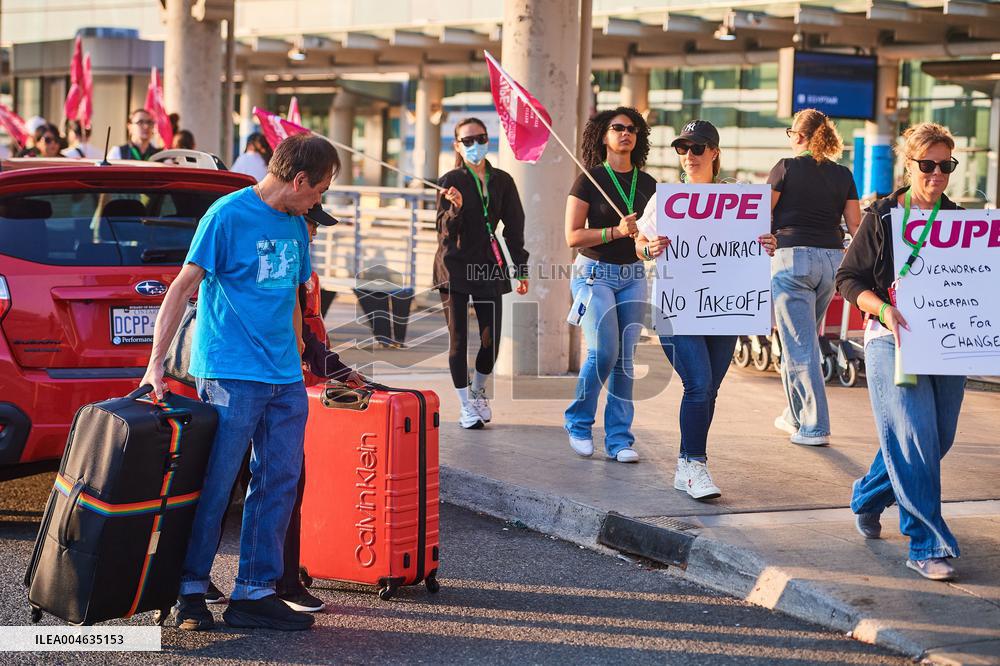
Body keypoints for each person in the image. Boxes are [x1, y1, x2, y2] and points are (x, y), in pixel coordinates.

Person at [140, 133, 339, 631]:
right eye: (320, 191)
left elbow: (293, 299)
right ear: (299, 180)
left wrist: (298, 359)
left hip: (283, 379)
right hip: (230, 372)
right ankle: (189, 591)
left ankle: (254, 592)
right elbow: (183, 287)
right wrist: (155, 365)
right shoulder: (226, 215)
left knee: (278, 483)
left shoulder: (296, 224)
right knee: (216, 485)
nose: (320, 201)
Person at [836, 123, 965, 582]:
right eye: (927, 164)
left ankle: (867, 496)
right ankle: (926, 542)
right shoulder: (884, 215)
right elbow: (848, 280)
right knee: (913, 437)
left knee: (936, 438)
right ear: (909, 165)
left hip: (948, 342)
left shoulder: (959, 219)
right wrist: (885, 311)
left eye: (945, 165)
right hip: (891, 339)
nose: (936, 173)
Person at [634, 120, 777, 498]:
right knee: (697, 384)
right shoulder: (666, 199)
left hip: (723, 307)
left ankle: (687, 464)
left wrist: (767, 242)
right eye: (682, 149)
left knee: (710, 388)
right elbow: (640, 244)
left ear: (715, 152)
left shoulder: (739, 197)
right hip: (677, 309)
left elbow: (756, 244)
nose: (689, 156)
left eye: (697, 148)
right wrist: (650, 249)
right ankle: (695, 464)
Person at [564, 107, 654, 463]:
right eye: (618, 128)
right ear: (604, 135)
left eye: (632, 129)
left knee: (625, 360)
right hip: (593, 273)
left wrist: (645, 241)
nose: (625, 133)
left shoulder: (647, 184)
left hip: (633, 275)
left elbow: (652, 236)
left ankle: (618, 439)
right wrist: (615, 231)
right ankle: (578, 421)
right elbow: (572, 235)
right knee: (603, 352)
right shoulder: (588, 178)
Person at [769, 109, 861, 447]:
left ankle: (813, 426)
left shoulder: (786, 167)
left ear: (798, 136)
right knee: (801, 341)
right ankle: (793, 414)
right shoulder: (843, 174)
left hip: (792, 259)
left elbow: (761, 215)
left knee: (799, 345)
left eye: (790, 133)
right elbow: (856, 227)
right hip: (832, 262)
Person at [435, 117, 529, 429]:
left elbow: (515, 229)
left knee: (491, 341)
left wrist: (521, 269)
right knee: (458, 341)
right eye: (468, 140)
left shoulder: (503, 181)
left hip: (489, 266)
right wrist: (456, 209)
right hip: (454, 267)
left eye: (481, 138)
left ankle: (477, 389)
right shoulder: (450, 180)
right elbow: (443, 232)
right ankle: (465, 407)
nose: (475, 145)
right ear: (458, 146)